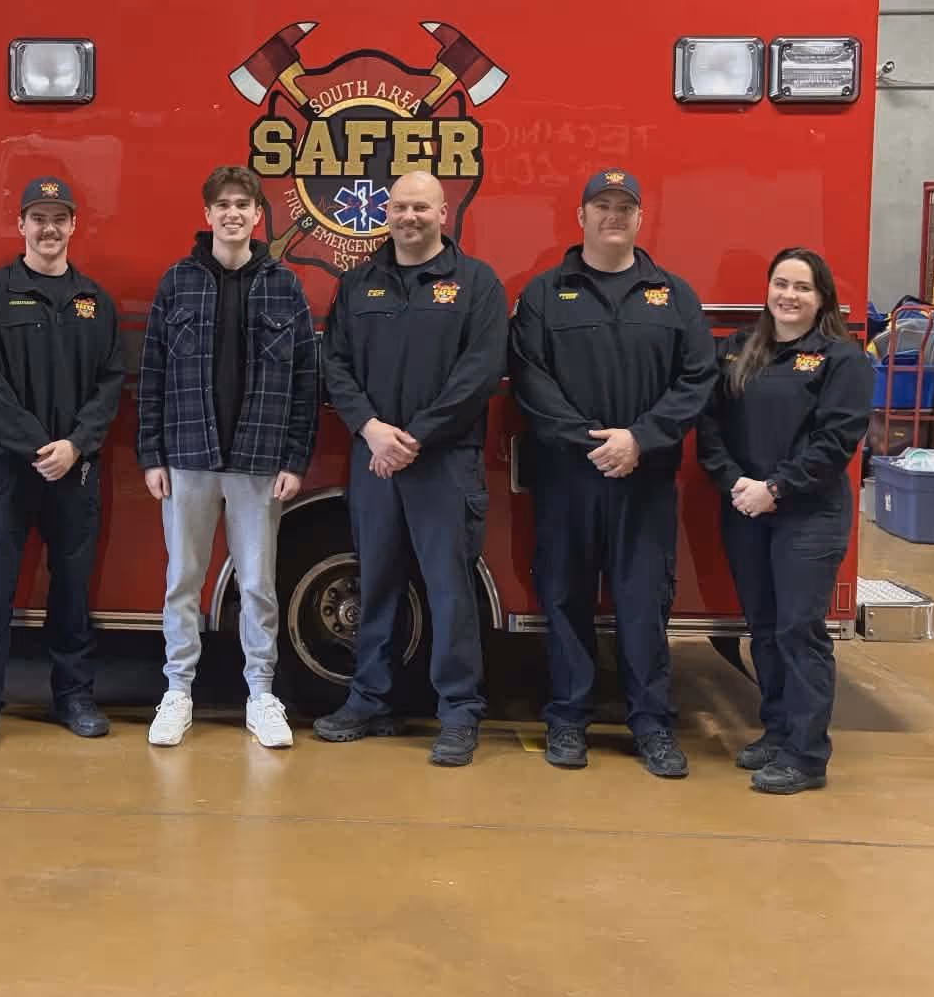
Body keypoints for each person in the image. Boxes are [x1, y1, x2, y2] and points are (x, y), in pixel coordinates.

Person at [510, 169, 717, 779]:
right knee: (566, 597)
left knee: (643, 603)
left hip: (645, 479)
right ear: (579, 217)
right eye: (601, 205)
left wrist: (640, 439)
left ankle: (652, 725)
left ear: (639, 217)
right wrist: (590, 442)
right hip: (568, 479)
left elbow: (697, 378)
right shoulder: (546, 295)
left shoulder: (672, 295)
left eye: (624, 206)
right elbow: (530, 379)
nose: (612, 216)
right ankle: (568, 720)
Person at [314, 171, 507, 768]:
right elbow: (335, 364)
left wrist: (415, 436)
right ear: (385, 212)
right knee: (376, 584)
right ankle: (369, 699)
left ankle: (457, 713)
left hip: (443, 462)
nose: (410, 216)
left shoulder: (475, 284)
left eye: (421, 206)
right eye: (399, 206)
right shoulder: (357, 283)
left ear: (444, 213)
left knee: (450, 590)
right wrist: (371, 428)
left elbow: (480, 372)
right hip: (374, 458)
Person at [137, 164, 319, 750]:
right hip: (187, 457)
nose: (233, 213)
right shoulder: (177, 282)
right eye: (223, 205)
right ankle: (178, 692)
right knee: (182, 582)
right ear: (207, 215)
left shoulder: (284, 285)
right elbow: (153, 373)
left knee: (260, 585)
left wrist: (295, 457)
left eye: (243, 204)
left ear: (259, 215)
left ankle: (261, 695)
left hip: (259, 461)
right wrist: (151, 455)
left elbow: (305, 380)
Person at [696, 247, 872, 795]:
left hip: (807, 516)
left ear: (822, 300)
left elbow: (836, 441)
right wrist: (735, 484)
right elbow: (709, 427)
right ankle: (775, 732)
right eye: (780, 284)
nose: (788, 296)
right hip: (747, 510)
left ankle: (806, 755)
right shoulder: (739, 351)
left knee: (800, 631)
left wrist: (776, 488)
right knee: (765, 629)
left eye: (802, 287)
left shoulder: (842, 360)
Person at [0, 177, 126, 748]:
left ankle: (73, 697)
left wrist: (75, 445)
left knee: (73, 589)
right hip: (9, 468)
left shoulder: (95, 301)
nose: (49, 229)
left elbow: (110, 383)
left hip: (75, 469)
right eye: (38, 218)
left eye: (59, 218)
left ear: (74, 225)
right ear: (21, 225)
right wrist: (37, 446)